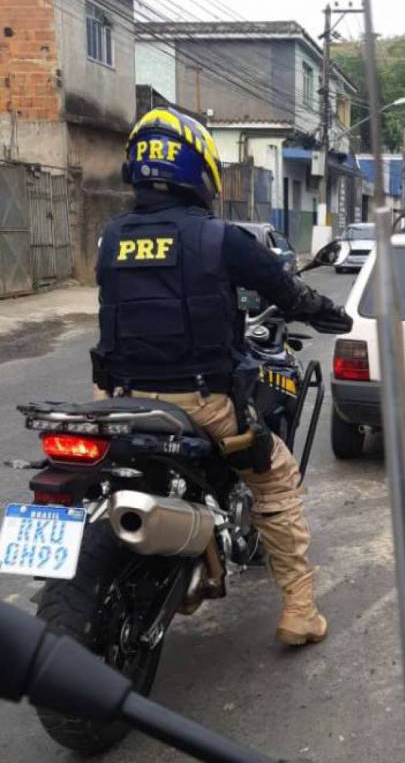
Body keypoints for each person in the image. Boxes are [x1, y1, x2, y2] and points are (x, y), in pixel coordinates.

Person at [92, 107, 350, 646]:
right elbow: (287, 292)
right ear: (198, 169)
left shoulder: (110, 238)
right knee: (275, 477)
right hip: (202, 400)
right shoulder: (219, 238)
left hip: (119, 397)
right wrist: (329, 311)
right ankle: (300, 612)